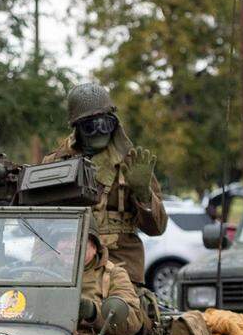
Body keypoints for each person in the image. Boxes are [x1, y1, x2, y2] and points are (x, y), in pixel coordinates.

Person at [43, 83, 167, 285]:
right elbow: (41, 224)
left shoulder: (131, 163)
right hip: (64, 265)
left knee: (119, 312)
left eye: (106, 123)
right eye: (91, 126)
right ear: (77, 129)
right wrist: (41, 268)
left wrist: (144, 194)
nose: (100, 131)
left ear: (115, 123)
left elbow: (157, 228)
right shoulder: (55, 163)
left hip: (120, 269)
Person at [75, 218, 143, 335]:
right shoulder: (44, 271)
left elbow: (133, 319)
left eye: (80, 239)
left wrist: (93, 312)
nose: (70, 245)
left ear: (94, 244)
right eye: (63, 239)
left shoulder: (113, 275)